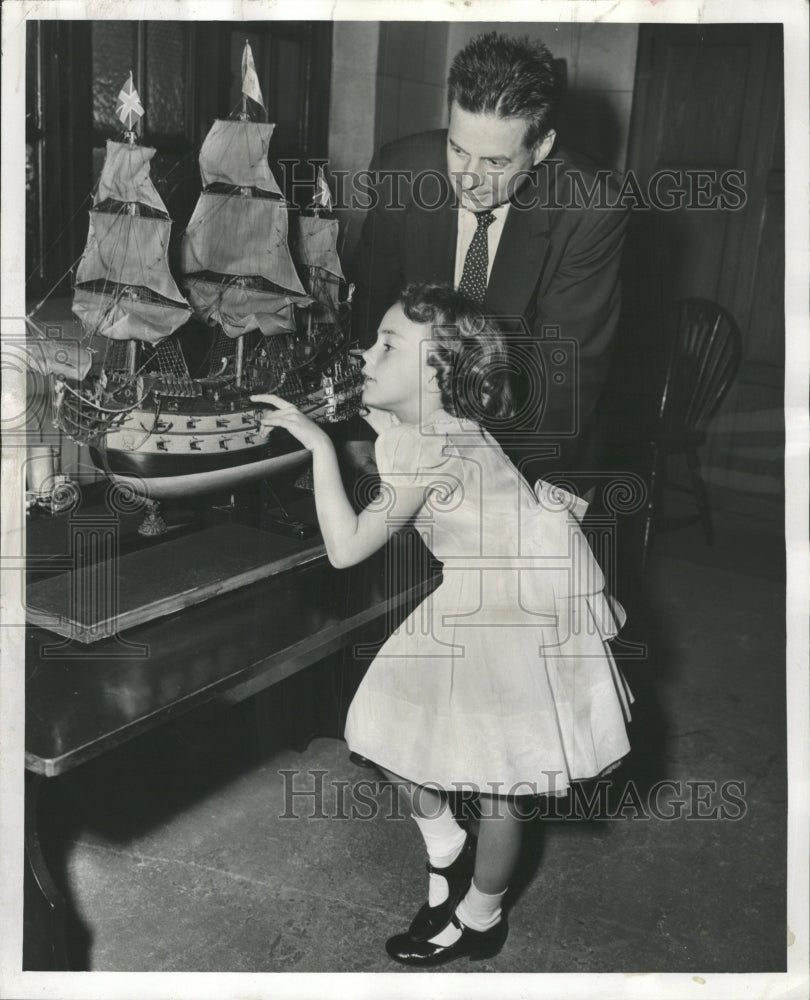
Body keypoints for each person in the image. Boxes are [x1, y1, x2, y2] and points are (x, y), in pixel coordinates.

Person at [253, 282, 632, 966]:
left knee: (503, 781)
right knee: (384, 724)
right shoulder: (437, 423)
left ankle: (480, 917)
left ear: (438, 373)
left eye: (388, 345)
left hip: (518, 613)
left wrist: (316, 446)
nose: (368, 353)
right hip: (477, 592)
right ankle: (447, 851)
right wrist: (337, 408)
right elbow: (383, 419)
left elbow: (346, 550)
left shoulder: (429, 448)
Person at [350, 32, 628, 484]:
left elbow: (564, 374)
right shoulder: (402, 170)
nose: (469, 179)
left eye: (496, 163)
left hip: (525, 441)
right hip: (402, 425)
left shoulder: (591, 208)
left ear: (541, 148)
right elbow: (369, 308)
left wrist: (499, 492)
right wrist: (358, 425)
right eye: (458, 150)